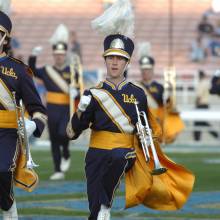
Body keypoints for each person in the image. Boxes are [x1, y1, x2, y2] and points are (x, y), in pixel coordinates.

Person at [67, 1, 194, 218]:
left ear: (127, 63)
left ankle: (106, 201)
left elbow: (147, 126)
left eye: (120, 58)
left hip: (125, 151)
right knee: (94, 211)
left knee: (118, 157)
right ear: (105, 60)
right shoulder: (93, 93)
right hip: (96, 153)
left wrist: (147, 136)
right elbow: (72, 133)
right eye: (111, 58)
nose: (115, 62)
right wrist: (80, 111)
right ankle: (102, 207)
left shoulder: (138, 93)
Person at [0, 11, 47, 220]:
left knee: (2, 171)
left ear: (5, 38)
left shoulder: (18, 70)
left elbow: (38, 108)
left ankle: (8, 207)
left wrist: (34, 125)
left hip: (8, 132)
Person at [28, 24, 80, 180]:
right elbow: (33, 70)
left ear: (65, 55)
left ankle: (66, 151)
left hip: (66, 108)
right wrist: (33, 56)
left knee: (62, 133)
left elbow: (79, 88)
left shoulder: (72, 71)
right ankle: (58, 170)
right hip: (51, 108)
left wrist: (75, 91)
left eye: (61, 54)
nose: (59, 57)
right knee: (54, 140)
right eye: (56, 54)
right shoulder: (47, 70)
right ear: (53, 55)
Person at [135, 53, 185, 143]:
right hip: (141, 123)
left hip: (155, 123)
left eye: (147, 69)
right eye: (143, 69)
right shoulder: (136, 86)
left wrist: (170, 96)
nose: (145, 72)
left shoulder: (159, 87)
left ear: (152, 70)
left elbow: (165, 106)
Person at [194, 70, 218, 141]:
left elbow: (199, 96)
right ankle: (215, 135)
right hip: (205, 104)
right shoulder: (207, 83)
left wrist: (196, 104)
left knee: (199, 123)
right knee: (201, 122)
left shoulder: (201, 83)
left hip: (201, 105)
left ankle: (197, 139)